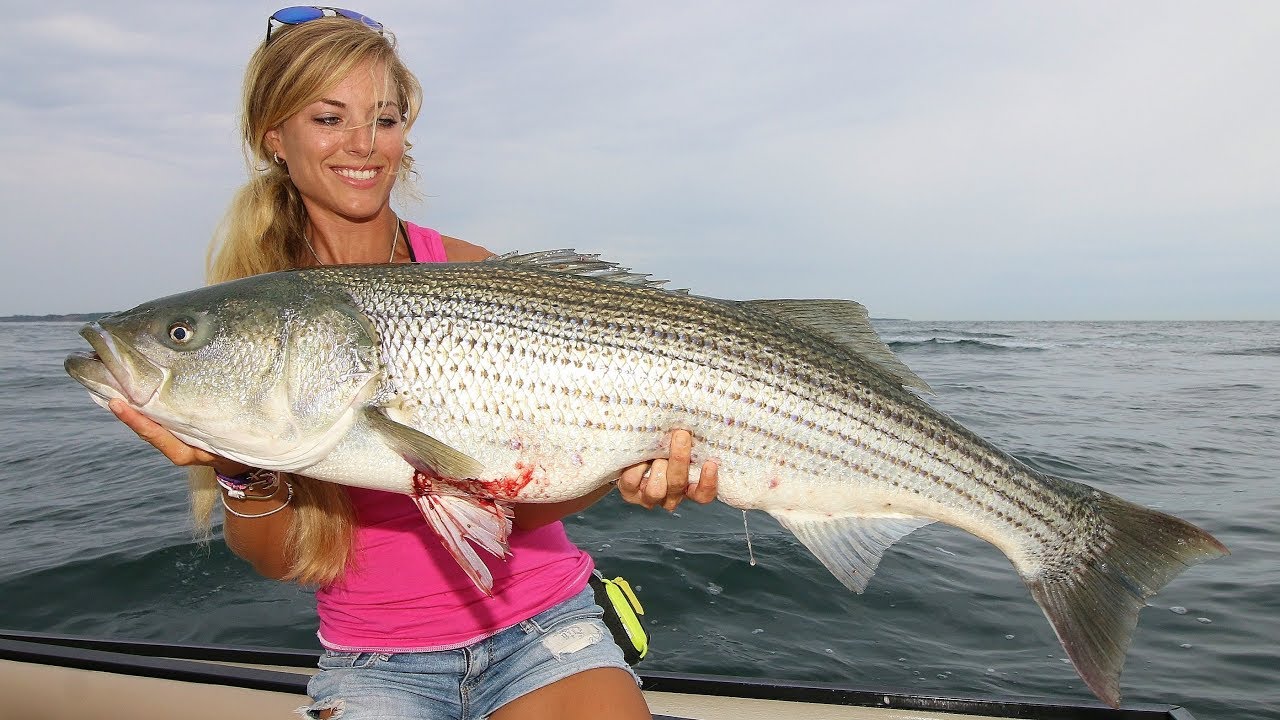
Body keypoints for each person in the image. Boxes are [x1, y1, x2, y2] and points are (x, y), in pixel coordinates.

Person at [107, 7, 719, 720]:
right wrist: (239, 469)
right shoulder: (260, 315)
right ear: (275, 136)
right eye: (329, 119)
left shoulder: (471, 275)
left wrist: (625, 470)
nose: (364, 146)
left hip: (544, 626)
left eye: (386, 119)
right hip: (378, 662)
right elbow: (279, 560)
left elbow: (519, 506)